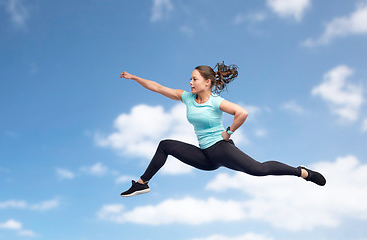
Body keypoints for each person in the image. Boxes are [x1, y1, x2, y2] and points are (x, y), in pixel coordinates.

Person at [119, 62, 326, 197]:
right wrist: (135, 78)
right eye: (190, 79)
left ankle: (302, 172)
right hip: (206, 157)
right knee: (165, 146)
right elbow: (158, 87)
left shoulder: (216, 102)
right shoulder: (187, 98)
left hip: (220, 148)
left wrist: (228, 133)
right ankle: (142, 183)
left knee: (258, 169)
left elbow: (242, 113)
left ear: (207, 82)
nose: (190, 82)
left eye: (194, 79)